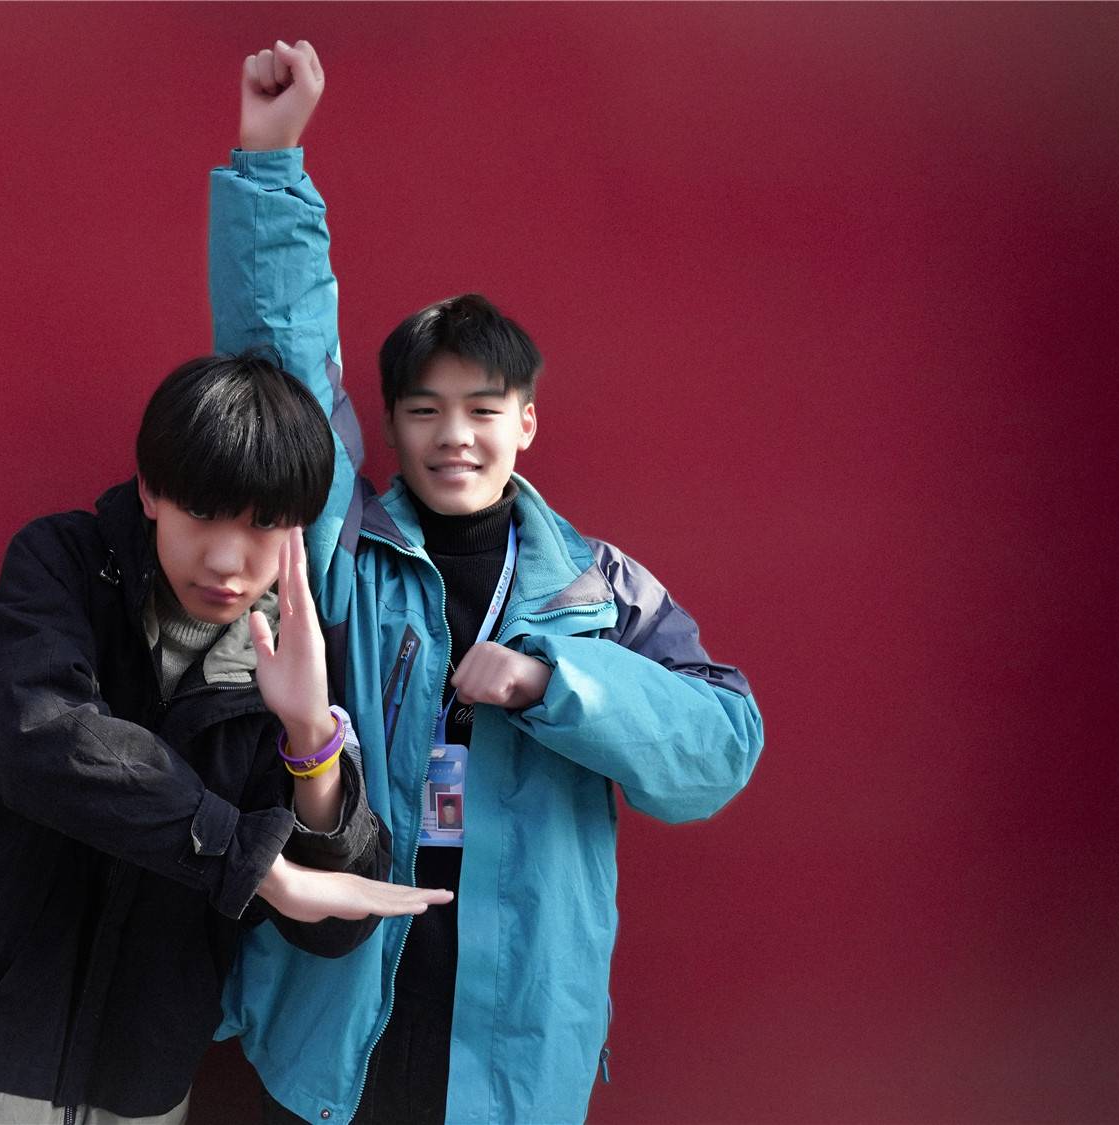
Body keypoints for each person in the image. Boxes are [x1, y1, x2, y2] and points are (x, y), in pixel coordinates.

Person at [209, 41, 767, 1124]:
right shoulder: (344, 550)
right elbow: (284, 373)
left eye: (482, 410)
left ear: (527, 423)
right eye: (423, 411)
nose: (453, 436)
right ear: (389, 425)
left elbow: (719, 752)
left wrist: (556, 684)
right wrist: (271, 162)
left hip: (513, 1039)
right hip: (343, 1012)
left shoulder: (599, 589)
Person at [0, 347, 451, 1117]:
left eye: (263, 524)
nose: (227, 559)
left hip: (139, 1083)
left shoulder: (293, 657)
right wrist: (254, 863)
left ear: (297, 529)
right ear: (151, 490)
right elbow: (49, 742)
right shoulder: (60, 565)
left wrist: (308, 734)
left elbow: (331, 927)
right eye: (202, 511)